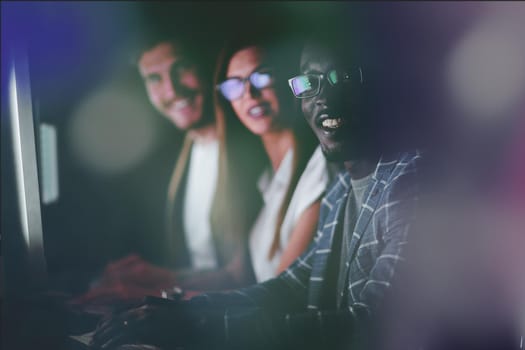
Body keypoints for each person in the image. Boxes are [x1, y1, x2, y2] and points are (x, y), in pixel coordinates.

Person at [90, 11, 424, 350]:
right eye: (310, 83)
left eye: (344, 77)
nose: (324, 97)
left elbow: (371, 326)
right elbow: (290, 285)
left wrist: (201, 327)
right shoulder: (341, 189)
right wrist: (180, 311)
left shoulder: (410, 183)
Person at [71, 26, 263, 306]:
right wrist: (151, 276)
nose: (172, 89)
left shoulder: (251, 151)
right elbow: (211, 269)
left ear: (207, 65)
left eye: (182, 68)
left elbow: (250, 277)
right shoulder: (181, 156)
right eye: (154, 78)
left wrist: (155, 291)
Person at [171, 33, 333, 291]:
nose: (249, 93)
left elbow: (278, 294)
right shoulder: (264, 179)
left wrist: (174, 307)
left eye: (262, 76)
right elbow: (237, 276)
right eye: (234, 85)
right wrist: (148, 287)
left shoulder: (319, 171)